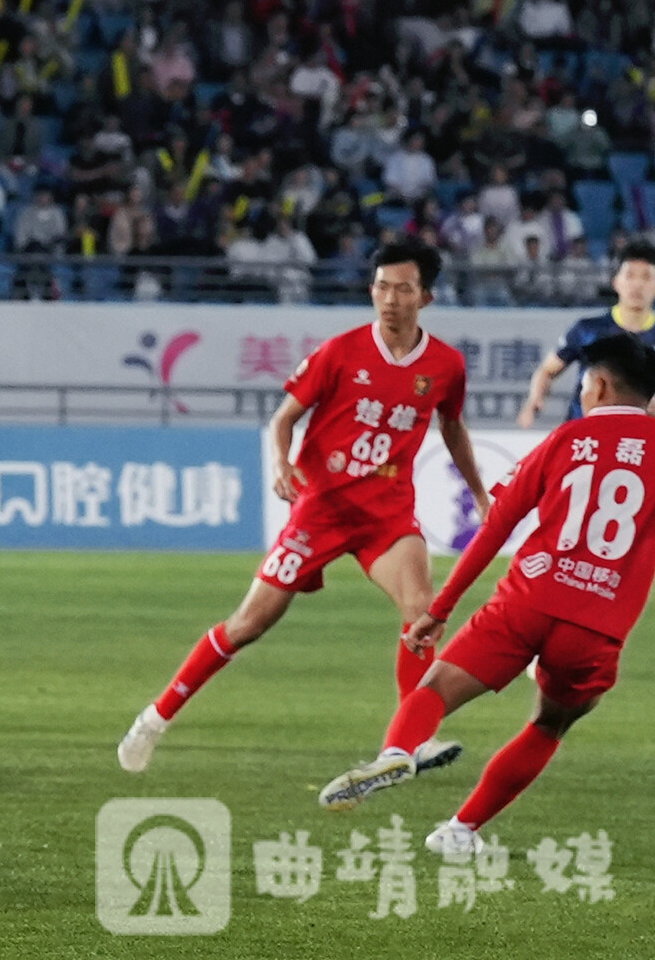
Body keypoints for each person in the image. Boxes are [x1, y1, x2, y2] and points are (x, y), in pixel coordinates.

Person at [118, 242, 492, 772]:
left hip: (386, 515)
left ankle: (409, 742)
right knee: (248, 624)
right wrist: (281, 462)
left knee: (420, 611)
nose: (390, 299)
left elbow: (453, 428)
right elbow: (284, 418)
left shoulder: (446, 365)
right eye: (381, 287)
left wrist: (479, 492)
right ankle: (155, 718)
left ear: (426, 297)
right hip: (321, 511)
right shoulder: (340, 352)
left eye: (403, 289)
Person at [318, 335, 655, 855]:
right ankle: (460, 830)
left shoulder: (567, 439)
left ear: (602, 385)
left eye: (585, 384)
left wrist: (439, 609)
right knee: (550, 722)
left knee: (434, 688)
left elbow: (496, 526)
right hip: (595, 625)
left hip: (526, 600)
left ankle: (398, 751)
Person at [517, 241, 655, 427]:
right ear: (615, 282)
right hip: (584, 433)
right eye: (630, 276)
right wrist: (534, 400)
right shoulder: (587, 329)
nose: (637, 285)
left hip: (638, 437)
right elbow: (548, 370)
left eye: (646, 277)